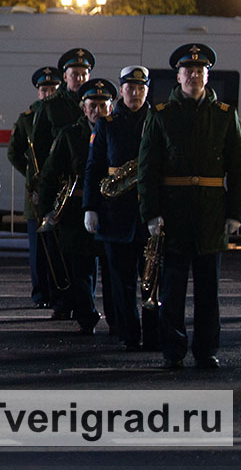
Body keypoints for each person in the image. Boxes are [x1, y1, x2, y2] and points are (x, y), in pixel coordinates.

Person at [138, 43, 241, 370]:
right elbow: (148, 169)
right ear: (179, 75)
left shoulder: (225, 116)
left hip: (211, 214)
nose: (194, 76)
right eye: (189, 71)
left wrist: (235, 212)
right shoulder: (161, 116)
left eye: (200, 71)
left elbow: (239, 167)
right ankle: (173, 351)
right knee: (171, 290)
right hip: (173, 214)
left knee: (208, 291)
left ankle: (206, 350)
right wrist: (152, 213)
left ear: (207, 75)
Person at [84, 66, 158, 351]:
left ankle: (152, 336)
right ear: (122, 89)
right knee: (122, 283)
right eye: (130, 87)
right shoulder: (108, 123)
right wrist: (90, 207)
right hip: (115, 214)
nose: (135, 93)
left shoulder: (158, 119)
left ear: (147, 90)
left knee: (152, 281)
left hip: (149, 214)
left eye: (141, 88)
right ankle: (129, 335)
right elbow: (94, 167)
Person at [38, 78, 115, 336]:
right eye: (92, 105)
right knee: (80, 271)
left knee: (112, 270)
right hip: (75, 211)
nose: (97, 110)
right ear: (83, 108)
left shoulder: (118, 132)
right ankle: (87, 317)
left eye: (103, 105)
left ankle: (117, 320)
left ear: (111, 107)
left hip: (111, 209)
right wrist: (47, 210)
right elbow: (50, 174)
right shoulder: (69, 135)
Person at [30, 47, 94, 321]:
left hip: (84, 189)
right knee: (60, 250)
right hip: (59, 188)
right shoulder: (51, 106)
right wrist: (43, 186)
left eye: (83, 73)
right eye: (74, 74)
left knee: (85, 255)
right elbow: (40, 150)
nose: (79, 78)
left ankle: (83, 304)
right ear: (65, 76)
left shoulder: (95, 100)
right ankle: (62, 300)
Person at [6, 66, 61, 309]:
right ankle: (41, 293)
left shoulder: (64, 114)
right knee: (38, 248)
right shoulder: (27, 118)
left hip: (60, 189)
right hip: (37, 193)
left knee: (58, 246)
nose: (48, 93)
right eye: (44, 89)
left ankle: (59, 291)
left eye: (52, 89)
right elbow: (13, 152)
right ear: (38, 92)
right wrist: (30, 174)